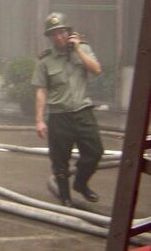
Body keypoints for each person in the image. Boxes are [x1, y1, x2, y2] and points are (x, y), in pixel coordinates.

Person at [31, 12, 104, 207]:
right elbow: (41, 90)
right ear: (50, 37)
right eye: (53, 34)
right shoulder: (45, 60)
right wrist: (39, 120)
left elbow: (96, 70)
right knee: (60, 161)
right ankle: (65, 198)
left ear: (69, 32)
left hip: (83, 112)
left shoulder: (84, 49)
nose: (58, 37)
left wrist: (78, 49)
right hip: (59, 116)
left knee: (95, 153)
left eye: (62, 32)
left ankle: (81, 183)